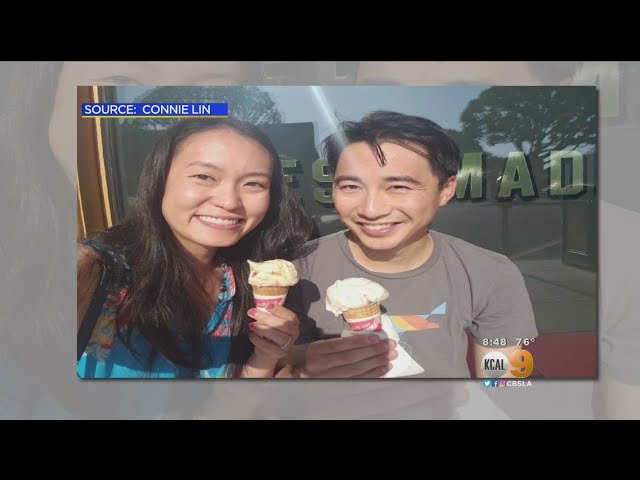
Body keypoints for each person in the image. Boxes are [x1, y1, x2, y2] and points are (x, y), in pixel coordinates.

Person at [279, 110, 539, 378]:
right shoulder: (296, 270)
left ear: (446, 189)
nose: (371, 210)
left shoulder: (489, 273)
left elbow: (501, 380)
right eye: (351, 187)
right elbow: (273, 369)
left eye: (399, 187)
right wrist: (302, 368)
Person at [77, 117, 314, 378]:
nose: (229, 202)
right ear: (161, 179)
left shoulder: (240, 279)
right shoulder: (98, 272)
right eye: (204, 177)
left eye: (253, 184)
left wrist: (266, 355)